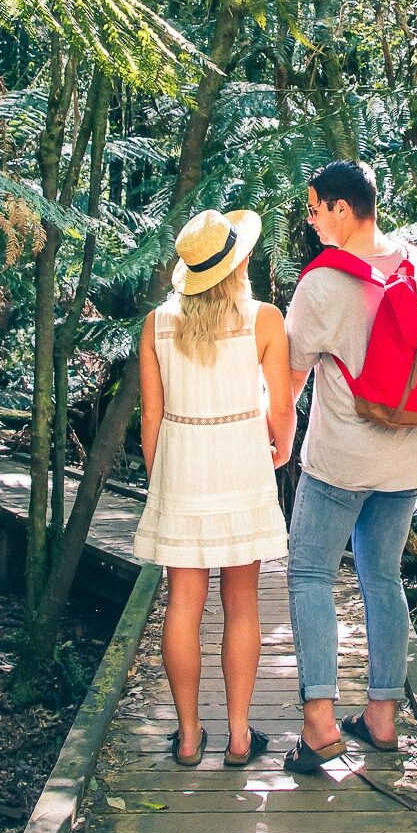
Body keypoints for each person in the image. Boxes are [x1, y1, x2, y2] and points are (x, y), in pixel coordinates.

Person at [281, 161, 417, 773]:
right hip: (405, 460)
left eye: (316, 208)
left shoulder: (320, 285)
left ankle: (319, 722)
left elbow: (291, 376)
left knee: (310, 573)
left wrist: (275, 440)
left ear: (343, 209)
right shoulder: (416, 262)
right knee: (382, 579)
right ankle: (381, 717)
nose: (312, 220)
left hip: (340, 461)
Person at [132, 208, 295, 768]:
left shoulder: (156, 325)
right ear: (238, 263)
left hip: (183, 468)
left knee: (183, 603)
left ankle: (186, 736)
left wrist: (160, 481)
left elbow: (150, 419)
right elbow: (281, 406)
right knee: (242, 604)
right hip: (241, 467)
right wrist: (282, 446)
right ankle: (241, 736)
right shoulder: (265, 320)